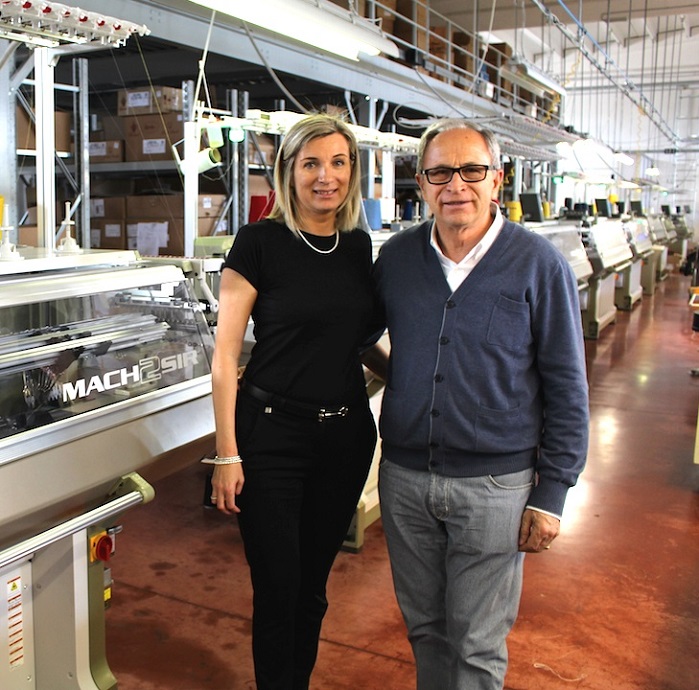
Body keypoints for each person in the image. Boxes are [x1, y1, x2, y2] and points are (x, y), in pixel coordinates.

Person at [372, 118, 589, 690]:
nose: (456, 186)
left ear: (497, 179)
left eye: (471, 171)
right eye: (440, 172)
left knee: (476, 646)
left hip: (497, 488)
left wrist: (553, 493)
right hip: (405, 481)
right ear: (420, 183)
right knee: (425, 631)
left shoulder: (538, 264)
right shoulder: (396, 260)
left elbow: (567, 384)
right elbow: (354, 332)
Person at [209, 114, 378, 690]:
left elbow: (354, 342)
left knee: (312, 589)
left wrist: (422, 386)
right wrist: (227, 455)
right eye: (311, 163)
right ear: (288, 171)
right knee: (278, 588)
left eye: (337, 162)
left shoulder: (359, 245)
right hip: (271, 438)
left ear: (351, 172)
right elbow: (225, 357)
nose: (325, 177)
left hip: (346, 439)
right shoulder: (259, 242)